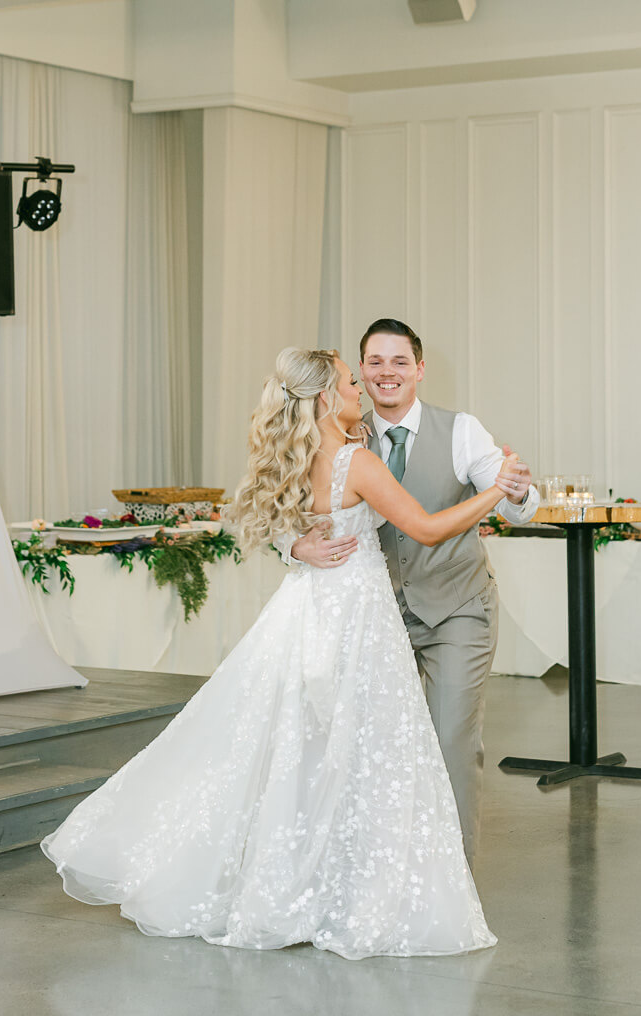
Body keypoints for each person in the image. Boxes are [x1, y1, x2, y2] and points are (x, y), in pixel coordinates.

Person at [42, 347, 513, 959]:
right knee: (360, 753)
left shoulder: (293, 458)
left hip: (305, 612)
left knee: (300, 751)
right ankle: (346, 893)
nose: (360, 390)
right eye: (351, 381)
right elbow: (424, 529)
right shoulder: (355, 462)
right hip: (357, 622)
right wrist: (495, 490)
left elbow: (275, 527)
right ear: (325, 398)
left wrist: (296, 549)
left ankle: (294, 888)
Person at [288, 320, 539, 864]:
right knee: (372, 746)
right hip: (375, 615)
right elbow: (284, 507)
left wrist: (515, 489)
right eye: (373, 363)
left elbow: (516, 494)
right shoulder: (341, 432)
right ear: (358, 374)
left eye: (399, 362)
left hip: (456, 609)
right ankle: (382, 870)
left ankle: (453, 879)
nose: (386, 373)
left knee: (450, 741)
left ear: (419, 369)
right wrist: (293, 546)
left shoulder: (461, 429)